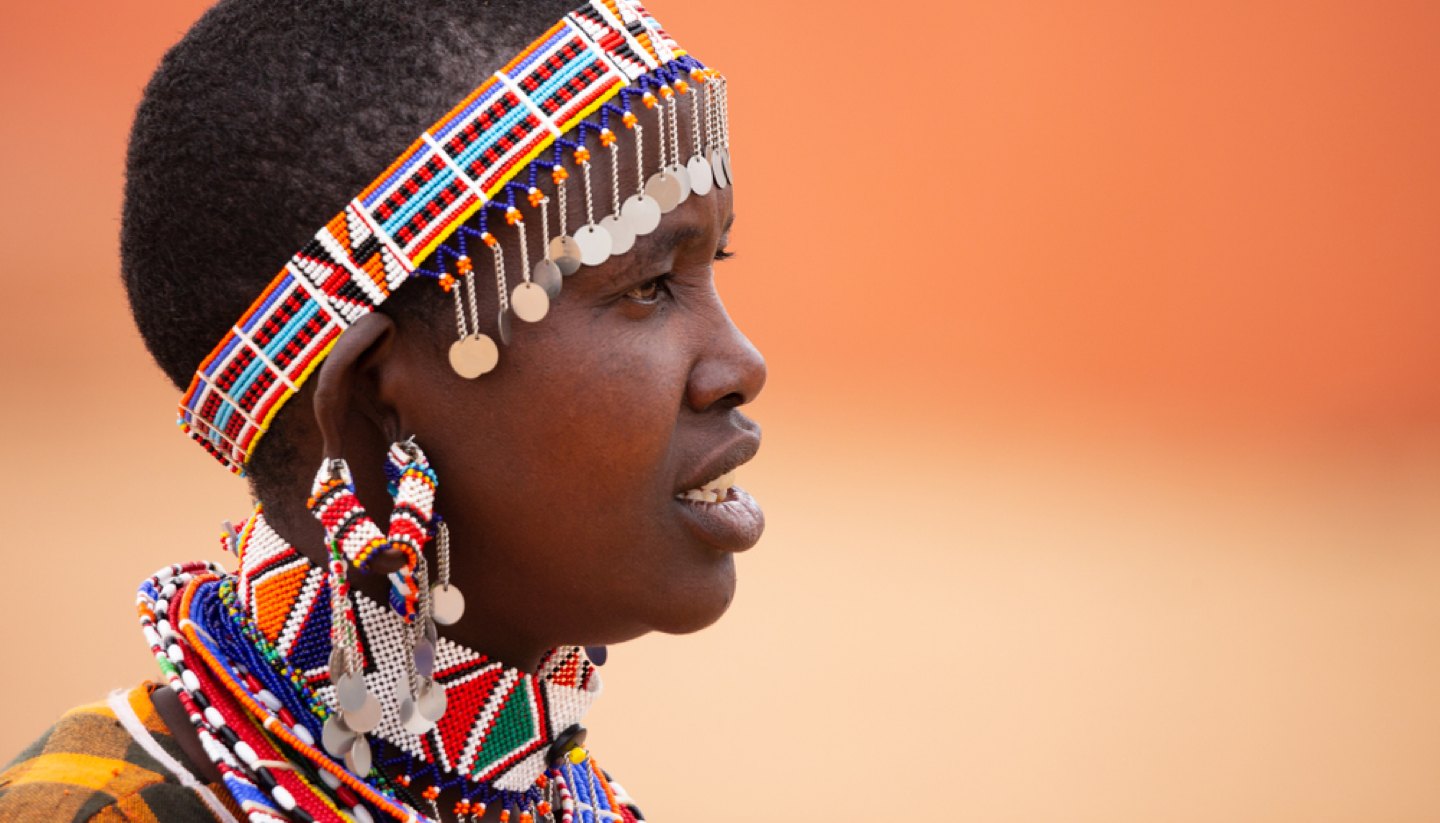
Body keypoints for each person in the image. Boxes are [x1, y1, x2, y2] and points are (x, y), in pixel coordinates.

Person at [0, 0, 764, 820]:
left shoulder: (564, 800)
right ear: (373, 401)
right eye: (648, 287)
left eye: (713, 260)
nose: (741, 367)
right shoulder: (100, 809)